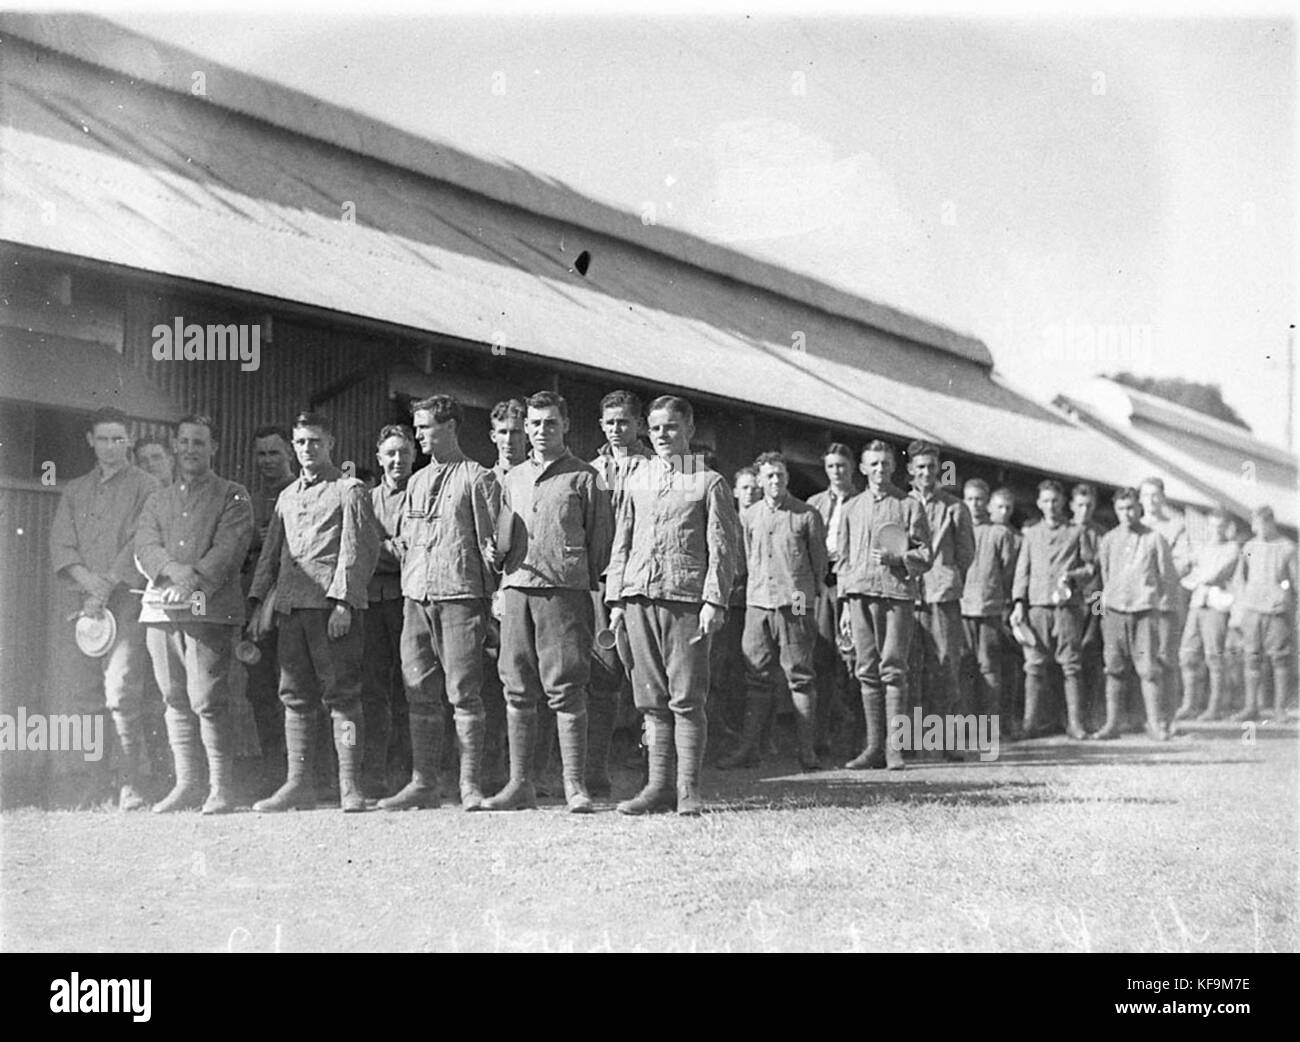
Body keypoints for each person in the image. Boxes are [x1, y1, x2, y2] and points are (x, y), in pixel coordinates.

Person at [607, 395, 741, 815]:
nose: (663, 435)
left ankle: (688, 790)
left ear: (689, 431)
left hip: (685, 601)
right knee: (650, 698)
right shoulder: (637, 478)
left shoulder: (708, 482)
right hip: (637, 598)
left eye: (672, 427)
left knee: (686, 697)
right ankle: (657, 786)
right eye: (656, 428)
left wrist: (713, 601)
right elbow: (622, 542)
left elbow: (723, 548)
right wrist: (615, 599)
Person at [484, 390, 613, 812]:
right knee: (517, 687)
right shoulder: (513, 477)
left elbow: (601, 544)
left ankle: (574, 785)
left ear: (566, 426)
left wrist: (572, 574)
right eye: (534, 424)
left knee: (566, 687)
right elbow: (503, 534)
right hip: (517, 588)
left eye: (550, 423)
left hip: (564, 591)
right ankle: (520, 784)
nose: (541, 431)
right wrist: (495, 556)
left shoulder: (586, 477)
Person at [247, 412, 379, 813]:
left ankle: (350, 787)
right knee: (295, 697)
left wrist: (343, 602)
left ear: (331, 443)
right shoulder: (288, 497)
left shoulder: (349, 489)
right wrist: (257, 603)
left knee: (342, 696)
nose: (308, 450)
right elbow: (272, 556)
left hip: (330, 611)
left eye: (315, 442)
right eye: (301, 443)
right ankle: (298, 784)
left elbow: (358, 551)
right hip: (291, 610)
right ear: (293, 446)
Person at [381, 396, 501, 811]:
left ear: (450, 427)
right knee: (419, 693)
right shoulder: (414, 482)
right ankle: (424, 783)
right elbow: (409, 540)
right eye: (416, 428)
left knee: (464, 693)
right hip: (416, 598)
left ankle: (470, 786)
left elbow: (493, 548)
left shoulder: (479, 478)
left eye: (426, 427)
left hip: (461, 596)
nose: (418, 435)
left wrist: (490, 601)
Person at [135, 414, 253, 813]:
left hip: (209, 610)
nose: (189, 450)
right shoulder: (157, 499)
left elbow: (230, 548)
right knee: (173, 697)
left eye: (198, 443)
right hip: (161, 612)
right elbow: (144, 544)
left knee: (209, 697)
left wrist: (193, 579)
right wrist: (169, 571)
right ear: (175, 446)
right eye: (183, 442)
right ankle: (187, 784)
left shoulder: (233, 495)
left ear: (213, 447)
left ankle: (220, 787)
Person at [49, 407, 160, 809]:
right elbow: (62, 544)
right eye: (103, 439)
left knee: (122, 693)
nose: (111, 447)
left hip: (125, 603)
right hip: (83, 609)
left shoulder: (146, 486)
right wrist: (87, 583)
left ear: (129, 440)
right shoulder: (75, 490)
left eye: (118, 439)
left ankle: (131, 783)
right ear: (90, 441)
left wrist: (108, 582)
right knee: (86, 697)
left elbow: (139, 542)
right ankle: (96, 782)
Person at [720, 452, 827, 770]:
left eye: (780, 475)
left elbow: (817, 566)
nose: (775, 481)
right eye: (769, 476)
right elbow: (745, 560)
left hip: (793, 603)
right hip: (758, 603)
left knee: (800, 675)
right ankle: (749, 750)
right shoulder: (749, 516)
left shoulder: (806, 514)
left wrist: (802, 602)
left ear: (788, 477)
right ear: (761, 480)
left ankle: (806, 752)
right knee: (756, 676)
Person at [836, 440, 932, 770]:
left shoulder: (910, 506)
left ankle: (894, 750)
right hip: (860, 596)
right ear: (862, 469)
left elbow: (925, 556)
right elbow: (844, 561)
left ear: (894, 468)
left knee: (893, 669)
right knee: (866, 670)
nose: (879, 470)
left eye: (885, 464)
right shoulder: (850, 508)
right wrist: (846, 604)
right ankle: (873, 747)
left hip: (897, 596)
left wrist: (898, 558)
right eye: (873, 464)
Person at [587, 390, 655, 794]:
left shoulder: (661, 468)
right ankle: (596, 770)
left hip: (643, 583)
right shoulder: (590, 469)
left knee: (648, 679)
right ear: (601, 425)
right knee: (603, 675)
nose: (617, 429)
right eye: (610, 422)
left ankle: (656, 771)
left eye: (625, 422)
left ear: (639, 425)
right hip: (602, 582)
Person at [1010, 480, 1098, 739]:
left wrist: (1073, 576)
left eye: (1056, 501)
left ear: (1063, 503)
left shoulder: (1076, 532)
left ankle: (1075, 724)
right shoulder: (1031, 533)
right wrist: (1018, 603)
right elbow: (1022, 571)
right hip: (1037, 608)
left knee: (1071, 666)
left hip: (1067, 608)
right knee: (1034, 666)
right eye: (1046, 500)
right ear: (1039, 503)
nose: (1051, 506)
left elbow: (1091, 568)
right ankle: (1030, 724)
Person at [906, 441, 975, 759]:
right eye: (920, 467)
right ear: (911, 470)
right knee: (910, 667)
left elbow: (965, 554)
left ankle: (945, 741)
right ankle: (911, 740)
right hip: (907, 595)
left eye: (932, 467)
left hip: (942, 595)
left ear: (940, 470)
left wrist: (943, 576)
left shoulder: (954, 507)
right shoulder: (901, 504)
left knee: (946, 667)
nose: (926, 473)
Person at [1092, 487, 1178, 740]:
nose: (1126, 514)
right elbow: (1105, 577)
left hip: (1144, 613)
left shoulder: (1154, 539)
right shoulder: (1108, 539)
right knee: (1114, 668)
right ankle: (1112, 724)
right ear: (1115, 510)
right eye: (1121, 509)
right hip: (1115, 612)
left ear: (1139, 509)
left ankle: (1155, 724)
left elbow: (1166, 578)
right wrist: (1106, 610)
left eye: (1130, 508)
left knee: (1149, 669)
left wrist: (1155, 608)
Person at [240, 425, 297, 796]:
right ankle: (274, 771)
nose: (267, 461)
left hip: (294, 606)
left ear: (289, 453)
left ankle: (308, 772)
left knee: (298, 690)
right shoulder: (250, 500)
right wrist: (251, 541)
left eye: (274, 453)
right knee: (260, 690)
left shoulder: (298, 493)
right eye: (261, 454)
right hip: (256, 608)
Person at [360, 424, 416, 799]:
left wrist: (379, 548)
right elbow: (357, 549)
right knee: (373, 691)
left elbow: (416, 550)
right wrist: (390, 550)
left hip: (410, 603)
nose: (397, 460)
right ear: (379, 458)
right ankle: (374, 773)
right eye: (390, 454)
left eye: (404, 453)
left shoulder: (422, 494)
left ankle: (411, 773)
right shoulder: (365, 499)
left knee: (413, 689)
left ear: (414, 455)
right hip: (371, 606)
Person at [483, 398, 529, 790]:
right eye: (503, 432)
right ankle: (491, 768)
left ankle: (530, 771)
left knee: (526, 681)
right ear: (492, 435)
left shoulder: (539, 475)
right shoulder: (484, 479)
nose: (510, 440)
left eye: (517, 431)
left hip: (524, 590)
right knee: (486, 683)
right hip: (483, 590)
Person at [807, 444, 860, 759]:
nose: (837, 472)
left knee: (854, 661)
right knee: (821, 658)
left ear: (852, 467)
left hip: (851, 584)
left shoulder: (863, 502)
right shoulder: (814, 503)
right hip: (822, 586)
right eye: (831, 467)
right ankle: (821, 734)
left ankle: (854, 736)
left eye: (842, 465)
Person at [707, 466, 761, 757]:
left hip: (751, 604)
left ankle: (750, 736)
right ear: (735, 491)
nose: (750, 492)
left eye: (755, 486)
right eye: (745, 487)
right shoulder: (728, 518)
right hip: (725, 603)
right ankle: (719, 729)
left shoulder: (763, 519)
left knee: (746, 667)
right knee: (717, 667)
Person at [960, 479, 1018, 732]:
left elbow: (1007, 571)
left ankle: (989, 727)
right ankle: (965, 726)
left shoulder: (999, 533)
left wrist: (994, 593)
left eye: (980, 499)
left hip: (988, 609)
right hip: (960, 608)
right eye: (970, 499)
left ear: (987, 502)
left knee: (989, 668)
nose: (974, 504)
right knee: (963, 667)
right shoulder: (958, 529)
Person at [1174, 507, 1241, 721]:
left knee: (1214, 657)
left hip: (1216, 606)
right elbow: (1183, 568)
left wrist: (1197, 576)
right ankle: (1189, 704)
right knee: (1187, 654)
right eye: (1212, 526)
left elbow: (1217, 574)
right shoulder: (1201, 547)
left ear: (1227, 528)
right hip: (1197, 604)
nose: (1215, 531)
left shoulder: (1232, 548)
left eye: (1220, 527)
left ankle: (1215, 708)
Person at [1232, 505, 1297, 722]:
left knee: (1279, 659)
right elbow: (1241, 578)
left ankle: (1279, 709)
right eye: (1254, 524)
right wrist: (1240, 607)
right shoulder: (1249, 546)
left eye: (1261, 524)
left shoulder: (1287, 547)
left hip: (1276, 610)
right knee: (1251, 657)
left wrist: (1286, 598)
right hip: (1252, 609)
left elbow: (1296, 581)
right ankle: (1251, 707)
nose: (1257, 529)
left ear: (1271, 522)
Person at [1139, 477, 1193, 721]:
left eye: (1156, 495)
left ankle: (1168, 718)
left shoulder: (1176, 526)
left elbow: (1184, 562)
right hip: (1138, 604)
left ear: (1163, 498)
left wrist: (1161, 578)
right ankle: (1143, 716)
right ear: (1140, 498)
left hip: (1165, 602)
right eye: (1146, 495)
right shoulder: (1136, 525)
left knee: (1166, 660)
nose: (1151, 500)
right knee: (1142, 659)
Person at [1069, 483, 1108, 731]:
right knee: (1068, 657)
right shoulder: (1064, 530)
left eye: (1089, 506)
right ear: (1072, 505)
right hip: (1068, 602)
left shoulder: (1102, 534)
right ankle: (1068, 717)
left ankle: (1091, 715)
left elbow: (1105, 570)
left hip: (1095, 601)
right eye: (1080, 505)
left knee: (1092, 652)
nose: (1084, 510)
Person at [990, 487, 1025, 734]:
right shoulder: (977, 530)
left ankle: (1007, 721)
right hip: (982, 606)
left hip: (1008, 607)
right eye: (999, 506)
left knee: (1010, 668)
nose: (1003, 512)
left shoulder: (1019, 538)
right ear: (990, 507)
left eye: (1008, 508)